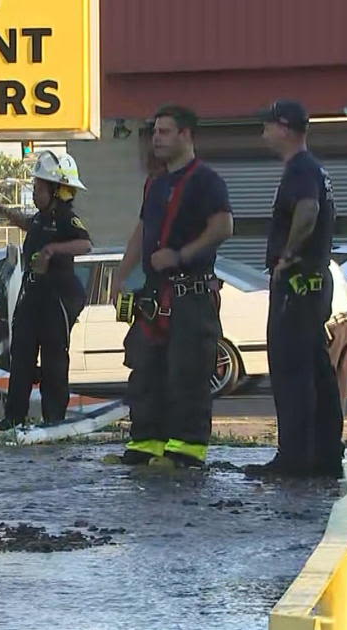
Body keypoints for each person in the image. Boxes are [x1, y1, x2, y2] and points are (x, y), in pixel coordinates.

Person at [108, 104, 234, 469]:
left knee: (188, 373)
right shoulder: (156, 182)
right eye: (155, 132)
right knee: (146, 370)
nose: (156, 139)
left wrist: (181, 255)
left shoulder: (206, 181)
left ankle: (186, 452)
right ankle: (146, 444)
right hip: (154, 294)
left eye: (164, 132)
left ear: (186, 135)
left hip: (191, 295)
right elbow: (143, 230)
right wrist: (120, 274)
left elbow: (224, 226)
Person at [246, 99, 345, 478]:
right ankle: (324, 455)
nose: (263, 132)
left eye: (268, 125)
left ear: (285, 128)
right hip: (313, 285)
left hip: (298, 286)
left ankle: (295, 459)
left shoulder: (300, 170)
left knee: (291, 372)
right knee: (316, 370)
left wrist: (287, 255)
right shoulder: (314, 169)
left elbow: (308, 211)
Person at [0, 151, 92, 429]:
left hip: (58, 296)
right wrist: (7, 214)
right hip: (34, 295)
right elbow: (29, 225)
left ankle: (54, 419)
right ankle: (13, 417)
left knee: (53, 359)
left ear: (57, 190)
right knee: (22, 355)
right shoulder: (40, 218)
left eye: (39, 188)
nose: (35, 193)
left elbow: (85, 244)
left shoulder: (66, 218)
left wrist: (52, 250)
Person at [327, 260, 347, 406]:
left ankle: (325, 426)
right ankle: (336, 424)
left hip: (330, 326)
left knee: (325, 382)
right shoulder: (332, 264)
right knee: (341, 382)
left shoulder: (308, 265)